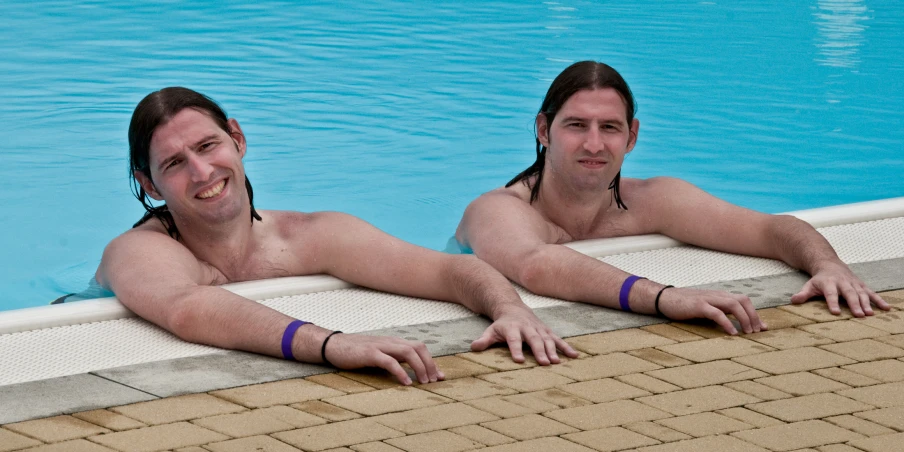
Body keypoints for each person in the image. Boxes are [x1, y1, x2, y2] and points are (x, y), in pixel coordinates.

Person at [96, 87, 578, 386]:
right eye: (175, 164)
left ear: (237, 139)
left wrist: (511, 309)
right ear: (150, 185)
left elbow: (446, 269)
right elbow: (185, 307)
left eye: (208, 146)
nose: (202, 172)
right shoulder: (138, 251)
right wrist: (331, 345)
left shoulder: (313, 235)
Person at [456, 61, 889, 335]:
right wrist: (664, 298)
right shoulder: (497, 210)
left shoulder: (654, 199)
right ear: (543, 130)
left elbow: (772, 228)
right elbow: (536, 264)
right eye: (576, 126)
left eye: (609, 128)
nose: (593, 144)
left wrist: (828, 265)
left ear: (632, 137)